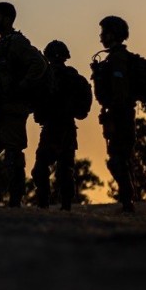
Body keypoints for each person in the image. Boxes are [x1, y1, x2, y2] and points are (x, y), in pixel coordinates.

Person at [0, 2, 47, 207]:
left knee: (12, 158)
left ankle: (15, 201)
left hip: (14, 111)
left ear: (7, 19)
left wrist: (21, 86)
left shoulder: (17, 43)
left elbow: (39, 64)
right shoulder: (1, 47)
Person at [31, 40, 91, 211]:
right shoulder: (75, 78)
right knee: (65, 169)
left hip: (52, 128)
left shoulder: (46, 76)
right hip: (68, 128)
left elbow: (36, 101)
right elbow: (83, 107)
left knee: (42, 168)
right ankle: (65, 205)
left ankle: (44, 203)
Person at [91, 15, 138, 213]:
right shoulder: (114, 58)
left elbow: (118, 92)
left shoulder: (118, 59)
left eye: (104, 32)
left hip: (121, 115)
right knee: (119, 158)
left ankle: (128, 202)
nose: (101, 36)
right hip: (119, 114)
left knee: (118, 160)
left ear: (112, 34)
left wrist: (113, 115)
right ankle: (128, 201)